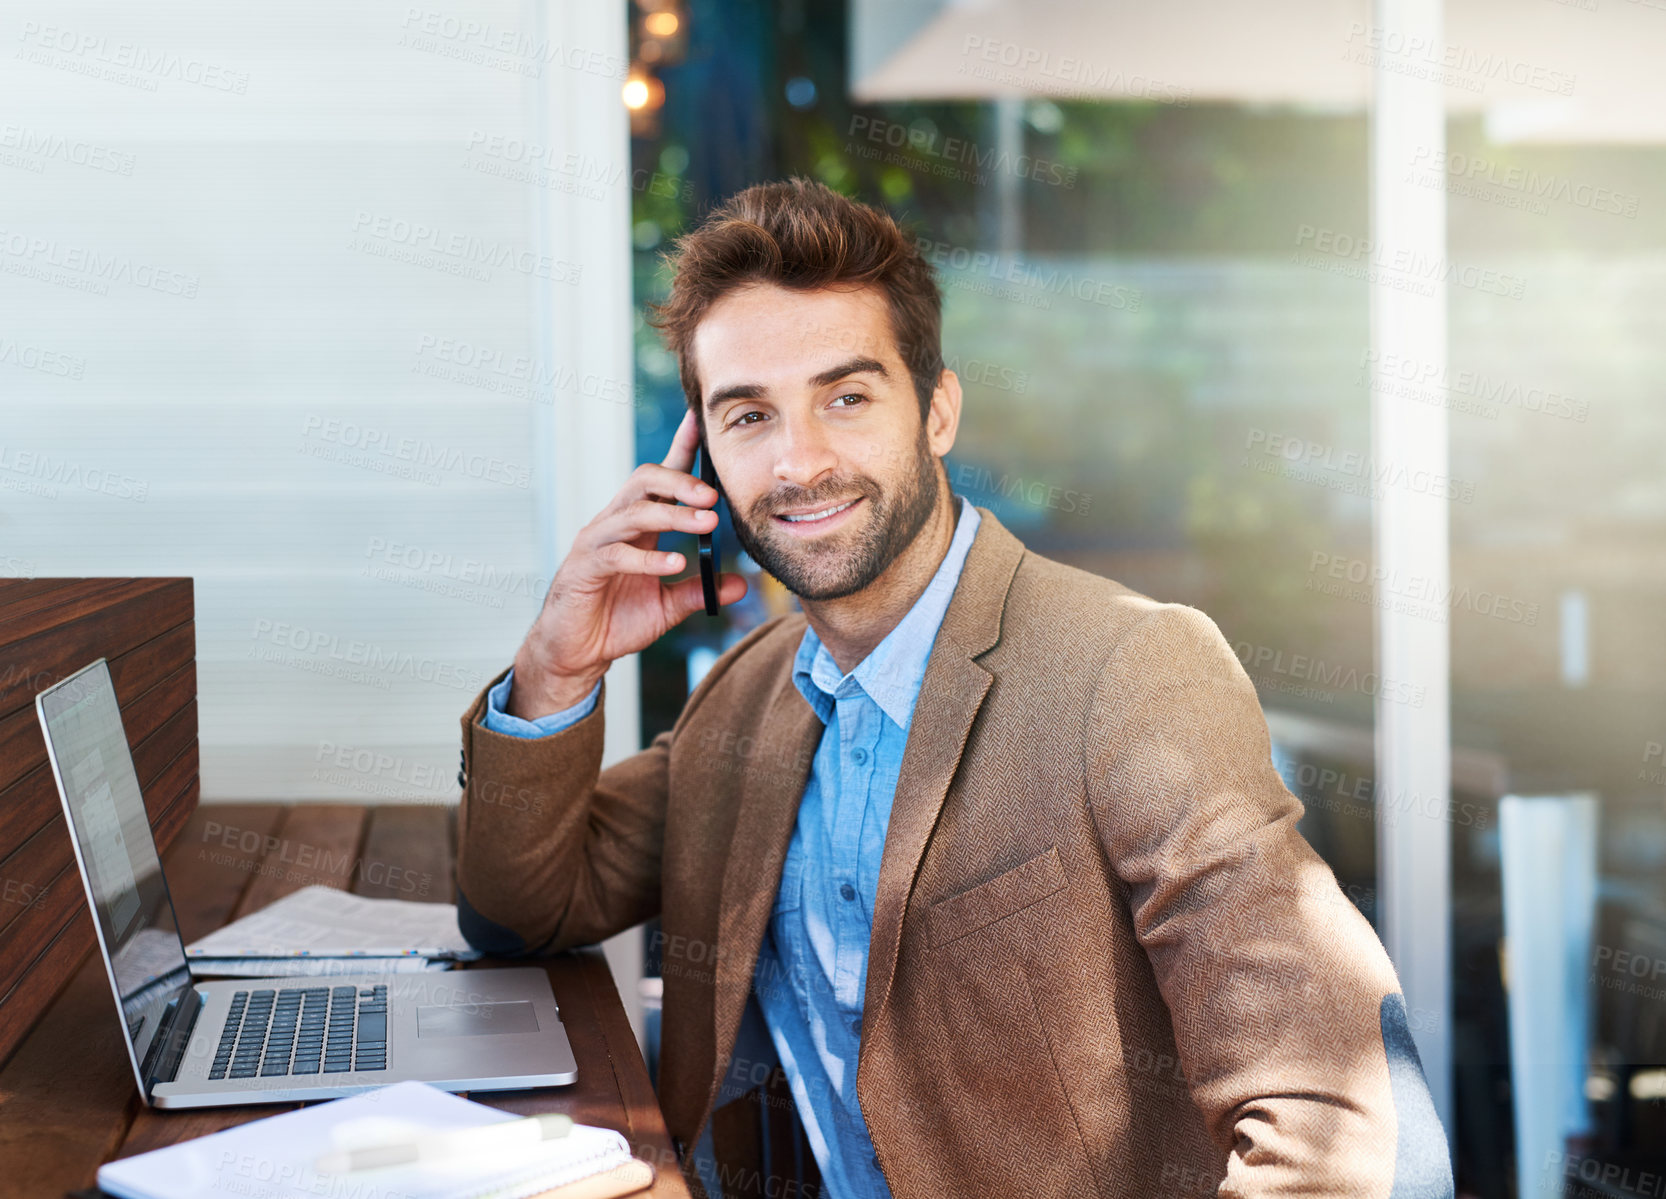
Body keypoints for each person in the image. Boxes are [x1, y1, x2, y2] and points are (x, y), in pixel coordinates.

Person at [454, 177, 1453, 1199]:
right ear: (701, 453)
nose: (798, 460)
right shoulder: (748, 698)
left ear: (936, 410)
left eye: (846, 397)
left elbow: (1349, 1120)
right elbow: (520, 911)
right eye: (748, 414)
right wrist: (557, 666)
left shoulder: (1129, 668)